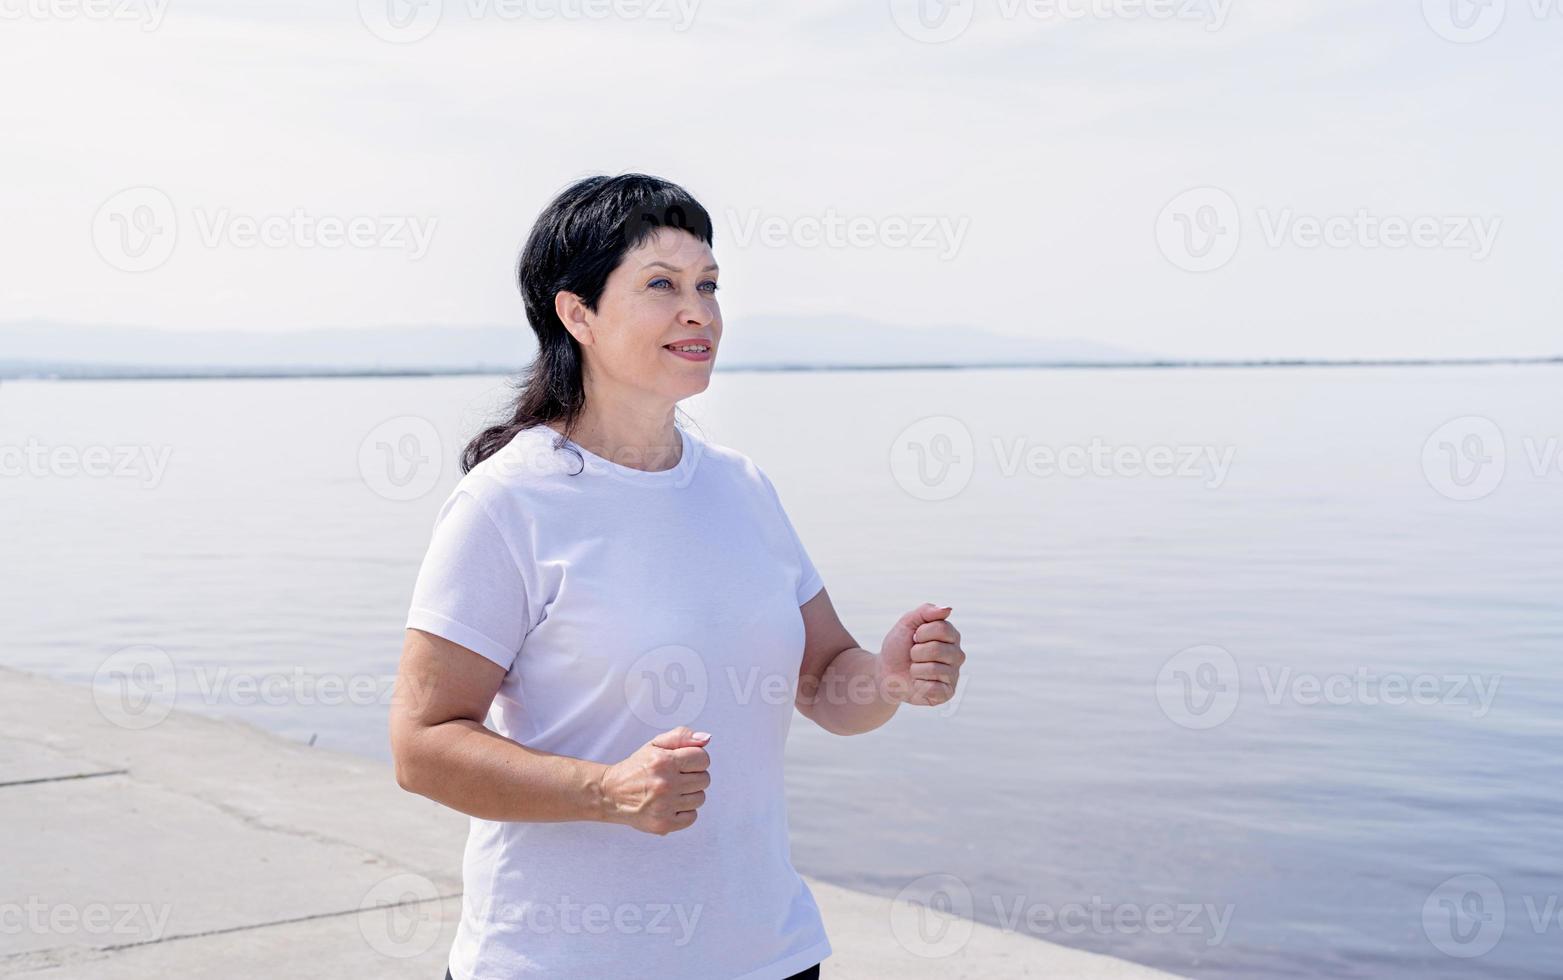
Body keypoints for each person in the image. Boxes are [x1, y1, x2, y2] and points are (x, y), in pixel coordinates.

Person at [389, 173, 967, 980]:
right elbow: (422, 746)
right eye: (661, 285)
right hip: (562, 961)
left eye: (708, 285)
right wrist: (606, 790)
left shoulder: (741, 486)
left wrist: (889, 677)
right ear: (576, 313)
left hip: (766, 954)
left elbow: (828, 682)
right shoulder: (507, 502)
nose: (698, 310)